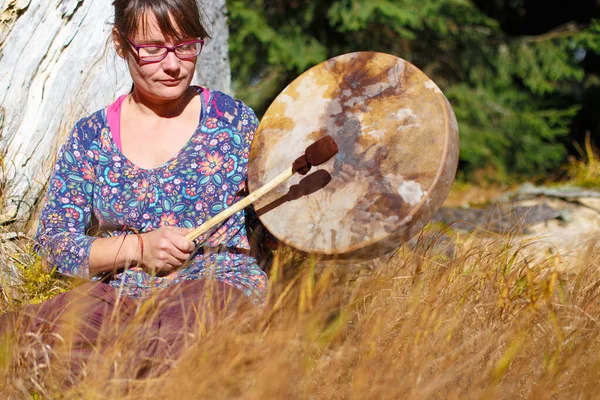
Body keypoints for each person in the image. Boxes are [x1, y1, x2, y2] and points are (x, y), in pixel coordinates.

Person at [1, 0, 268, 378]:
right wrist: (140, 249)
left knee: (159, 347)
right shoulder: (91, 138)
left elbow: (274, 227)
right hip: (118, 296)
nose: (173, 65)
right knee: (19, 340)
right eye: (153, 49)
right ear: (119, 43)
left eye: (186, 45)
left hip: (216, 287)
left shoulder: (234, 122)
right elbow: (54, 244)